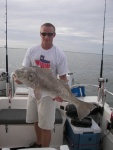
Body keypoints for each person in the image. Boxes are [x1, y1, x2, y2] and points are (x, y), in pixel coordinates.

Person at [13, 23, 68, 147]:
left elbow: (63, 78)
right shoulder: (32, 50)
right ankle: (38, 144)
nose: (46, 37)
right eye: (44, 34)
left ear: (54, 35)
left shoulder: (59, 54)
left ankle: (45, 149)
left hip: (48, 96)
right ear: (40, 34)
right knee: (36, 121)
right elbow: (24, 71)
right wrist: (18, 79)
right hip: (33, 93)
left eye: (49, 34)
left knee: (46, 127)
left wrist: (61, 95)